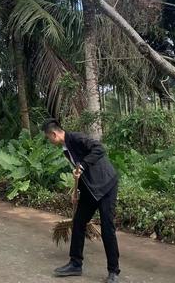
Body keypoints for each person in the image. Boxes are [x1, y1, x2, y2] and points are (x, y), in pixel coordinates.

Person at [42, 119, 120, 283]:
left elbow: (99, 149)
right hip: (90, 190)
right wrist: (77, 191)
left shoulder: (76, 138)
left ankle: (113, 271)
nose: (50, 142)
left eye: (49, 138)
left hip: (106, 186)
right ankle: (75, 264)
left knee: (107, 228)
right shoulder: (66, 149)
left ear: (54, 134)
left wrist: (82, 166)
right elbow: (80, 174)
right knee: (78, 222)